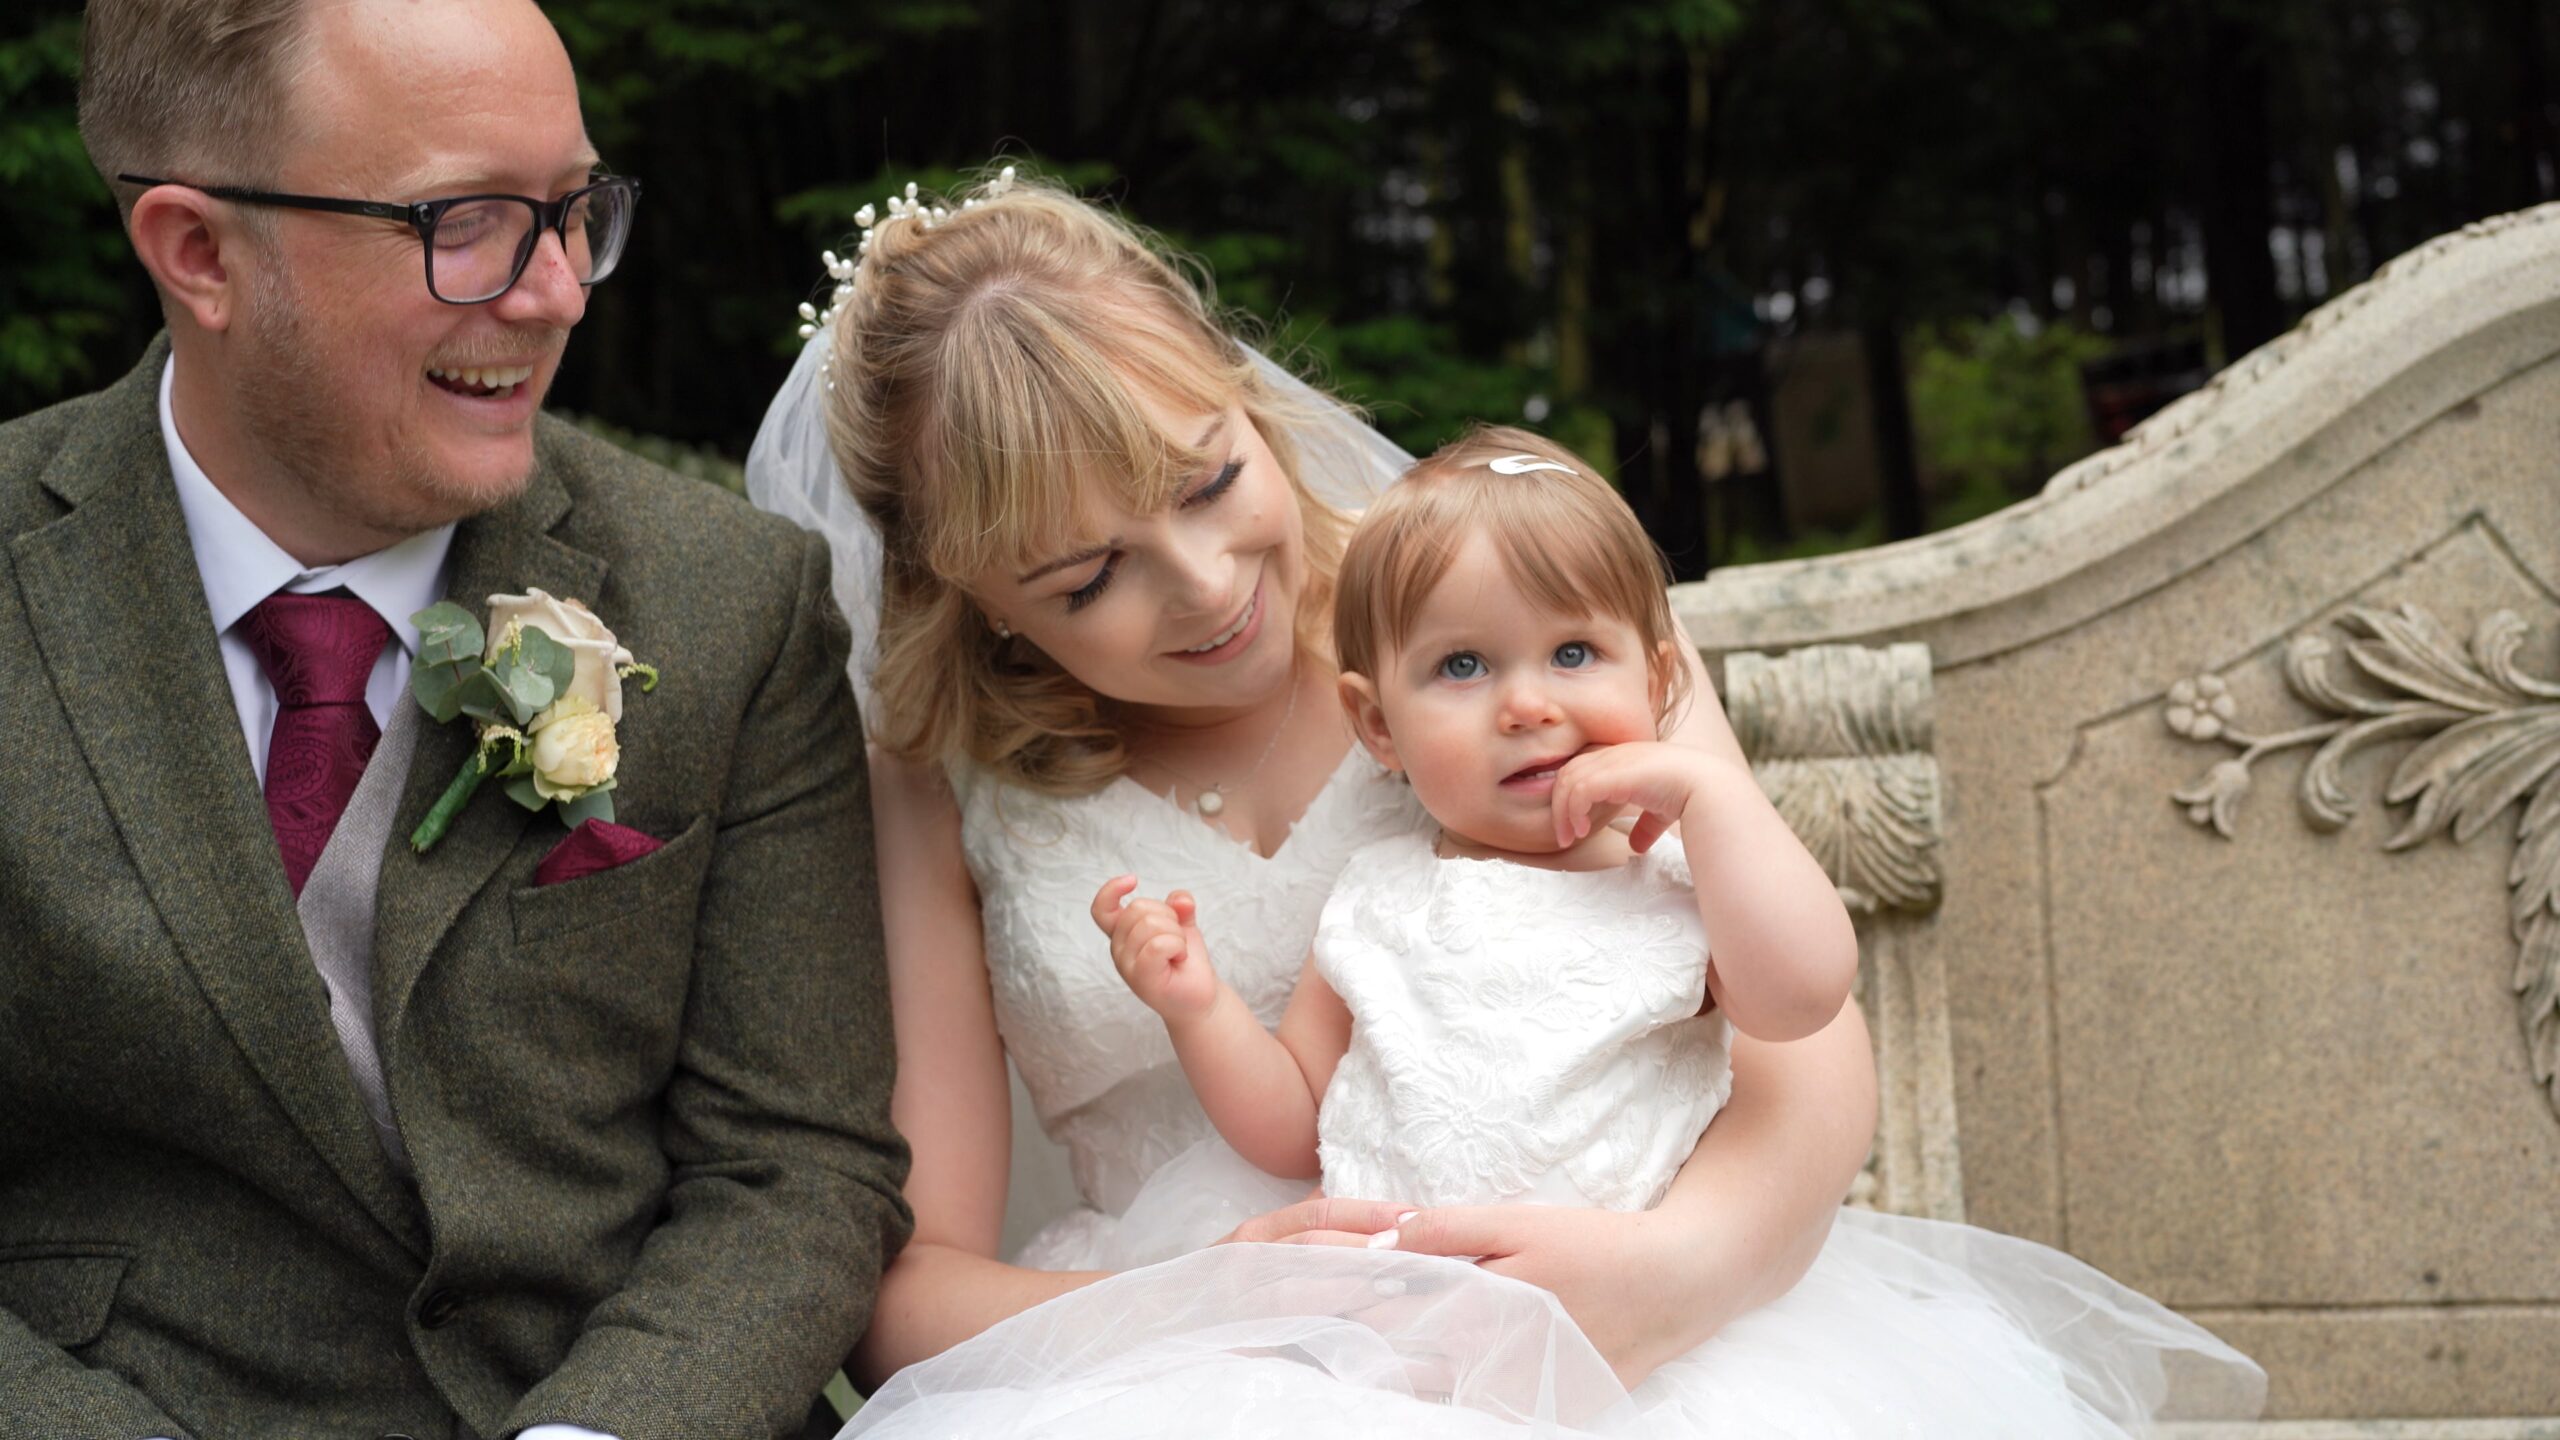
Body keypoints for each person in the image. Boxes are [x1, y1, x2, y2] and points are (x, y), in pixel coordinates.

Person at [838, 427, 2268, 1437]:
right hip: (1361, 1345)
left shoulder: (1659, 874)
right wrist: (1198, 1002)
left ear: (1652, 679)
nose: (1528, 702)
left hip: (1658, 1340)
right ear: (1377, 727)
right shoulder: (1379, 900)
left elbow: (1806, 993)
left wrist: (1715, 801)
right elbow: (1291, 1124)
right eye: (1465, 670)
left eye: (1574, 660)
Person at [744, 167, 1879, 1398]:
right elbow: (910, 1292)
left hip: (1634, 1307)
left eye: (1210, 481)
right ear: (971, 600)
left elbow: (1803, 1049)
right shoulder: (937, 787)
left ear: (1247, 397)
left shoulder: (1519, 617)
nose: (1206, 585)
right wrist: (1209, 1308)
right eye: (1085, 580)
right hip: (1188, 1374)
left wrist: (1671, 1274)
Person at [0, 2, 909, 1436]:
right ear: (198, 251)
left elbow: (797, 1163)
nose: (554, 290)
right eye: (465, 220)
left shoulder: (730, 600)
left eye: (573, 210)